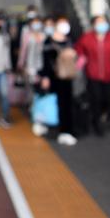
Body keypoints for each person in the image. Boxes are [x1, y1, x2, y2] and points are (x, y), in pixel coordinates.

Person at [75, 16, 110, 135]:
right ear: (93, 25)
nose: (102, 25)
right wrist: (80, 63)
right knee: (95, 98)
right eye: (99, 23)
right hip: (93, 75)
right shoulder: (87, 38)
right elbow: (79, 50)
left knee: (106, 99)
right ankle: (96, 123)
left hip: (109, 75)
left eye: (104, 22)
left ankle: (101, 114)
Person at [39, 16, 78, 145]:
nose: (65, 26)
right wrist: (45, 77)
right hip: (53, 77)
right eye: (62, 23)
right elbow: (45, 62)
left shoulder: (69, 41)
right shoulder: (48, 42)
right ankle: (48, 125)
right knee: (51, 102)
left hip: (67, 76)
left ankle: (66, 131)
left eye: (66, 23)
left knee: (66, 104)